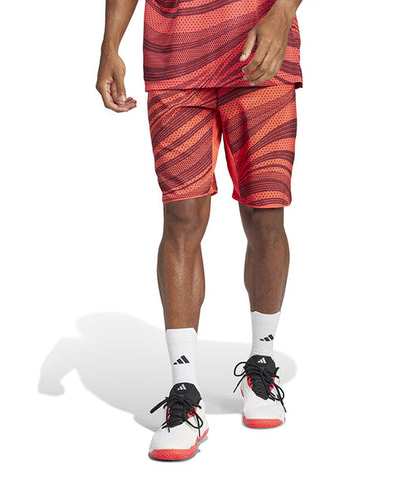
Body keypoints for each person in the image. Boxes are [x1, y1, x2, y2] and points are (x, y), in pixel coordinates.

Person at [96, 0, 303, 461]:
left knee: (266, 214)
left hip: (260, 54)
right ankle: (185, 390)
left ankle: (262, 363)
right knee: (182, 218)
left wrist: (282, 14)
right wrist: (110, 45)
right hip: (175, 60)